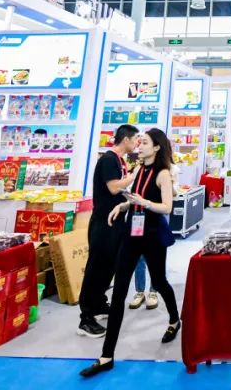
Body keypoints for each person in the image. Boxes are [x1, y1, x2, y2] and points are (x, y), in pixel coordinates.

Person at [80, 128, 181, 378]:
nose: (139, 145)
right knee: (119, 293)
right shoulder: (138, 169)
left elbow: (167, 207)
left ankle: (174, 320)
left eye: (144, 142)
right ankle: (106, 356)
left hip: (153, 236)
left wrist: (143, 203)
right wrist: (124, 206)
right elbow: (135, 197)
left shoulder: (163, 173)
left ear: (156, 147)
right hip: (131, 234)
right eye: (139, 141)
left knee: (159, 281)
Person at [77, 124, 140, 339]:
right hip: (104, 222)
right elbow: (114, 188)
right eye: (136, 139)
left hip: (116, 221)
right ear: (126, 139)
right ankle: (86, 318)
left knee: (109, 266)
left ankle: (98, 304)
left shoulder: (119, 160)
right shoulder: (109, 160)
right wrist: (134, 175)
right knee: (97, 267)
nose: (138, 143)